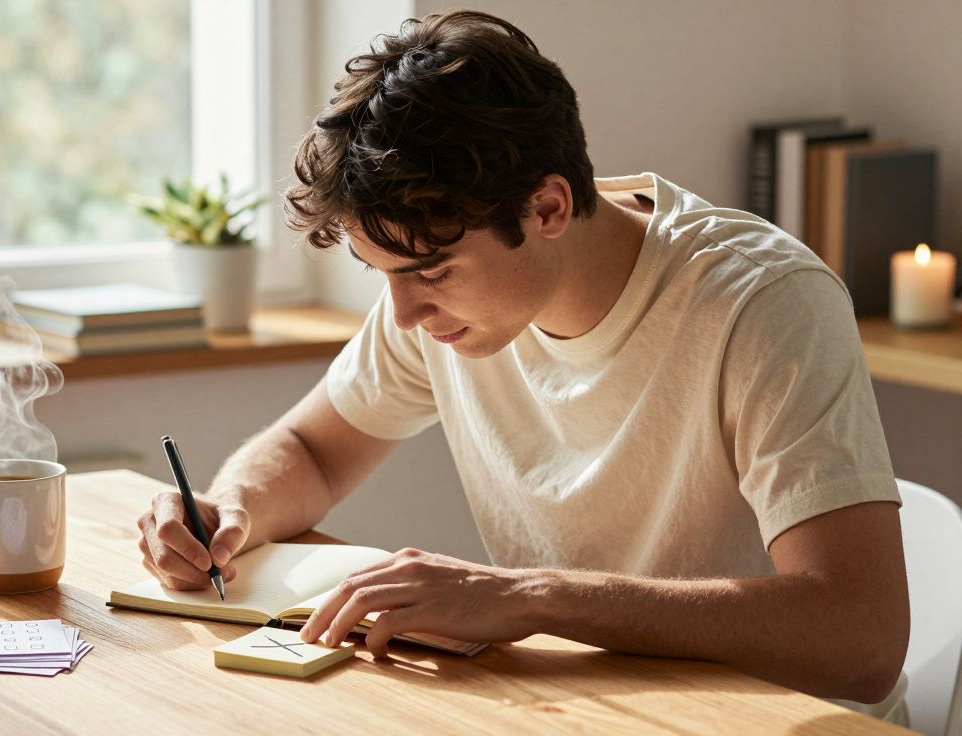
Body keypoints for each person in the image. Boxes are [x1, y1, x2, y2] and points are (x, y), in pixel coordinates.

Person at [134, 9, 909, 718]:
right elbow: (312, 452)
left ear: (548, 209)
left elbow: (860, 640)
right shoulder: (437, 301)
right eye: (384, 274)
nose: (402, 314)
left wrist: (534, 598)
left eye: (431, 271)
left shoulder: (763, 303)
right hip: (579, 709)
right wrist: (230, 510)